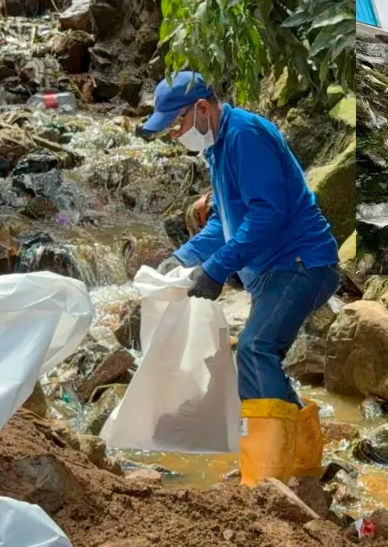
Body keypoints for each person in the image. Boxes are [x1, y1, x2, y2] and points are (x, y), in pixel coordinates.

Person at [143, 71, 340, 487]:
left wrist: (215, 270)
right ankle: (302, 466)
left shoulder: (245, 135)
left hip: (302, 263)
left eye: (177, 125)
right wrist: (182, 259)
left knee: (255, 349)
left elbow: (268, 214)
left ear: (201, 108)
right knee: (261, 354)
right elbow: (224, 224)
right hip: (275, 271)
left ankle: (265, 479)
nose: (177, 135)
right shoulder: (218, 146)